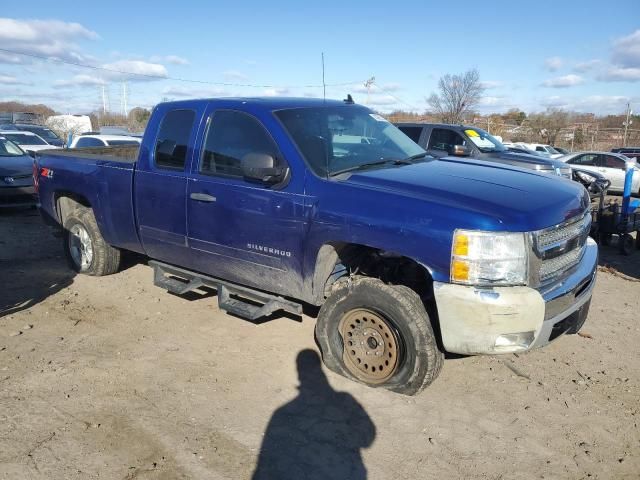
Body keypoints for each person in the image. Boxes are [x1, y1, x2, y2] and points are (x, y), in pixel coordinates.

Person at [252, 349, 376, 480]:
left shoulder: (281, 413)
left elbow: (264, 466)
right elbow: (367, 438)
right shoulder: (345, 400)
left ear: (299, 375)